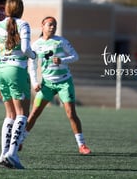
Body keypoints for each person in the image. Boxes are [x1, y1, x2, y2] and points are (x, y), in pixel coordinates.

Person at [22, 16, 91, 155]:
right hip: (46, 84)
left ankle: (82, 145)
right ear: (42, 26)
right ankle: (20, 142)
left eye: (54, 25)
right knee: (34, 113)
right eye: (50, 25)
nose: (52, 27)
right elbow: (33, 66)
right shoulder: (36, 45)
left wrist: (62, 60)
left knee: (71, 113)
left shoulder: (61, 41)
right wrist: (35, 82)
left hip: (64, 82)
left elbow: (75, 56)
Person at [0, 0, 36, 169]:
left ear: (6, 10)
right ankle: (12, 154)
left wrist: (4, 54)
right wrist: (34, 56)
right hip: (16, 70)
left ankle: (3, 154)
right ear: (20, 10)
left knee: (9, 115)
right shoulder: (24, 24)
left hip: (0, 69)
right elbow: (25, 49)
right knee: (22, 113)